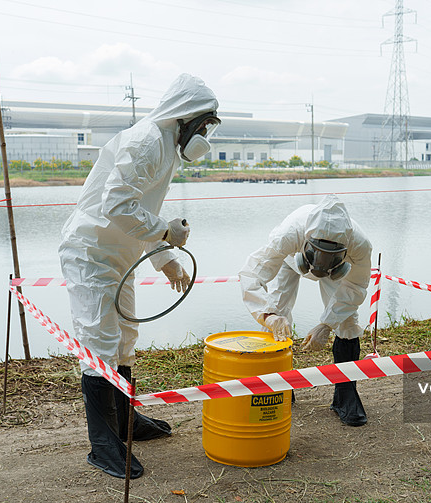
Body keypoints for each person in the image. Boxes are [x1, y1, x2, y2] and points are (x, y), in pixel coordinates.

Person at [58, 73, 220, 479]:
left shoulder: (166, 147)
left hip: (120, 254)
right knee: (100, 343)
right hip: (91, 252)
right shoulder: (147, 141)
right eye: (203, 125)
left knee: (125, 339)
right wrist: (165, 232)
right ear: (184, 117)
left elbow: (141, 210)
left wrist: (166, 260)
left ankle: (126, 421)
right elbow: (116, 205)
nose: (203, 135)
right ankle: (103, 446)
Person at [239, 194, 373, 426]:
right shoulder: (289, 234)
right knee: (277, 311)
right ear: (307, 239)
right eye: (317, 252)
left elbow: (355, 287)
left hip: (337, 270)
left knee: (347, 321)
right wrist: (269, 316)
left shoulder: (360, 244)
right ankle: (278, 388)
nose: (320, 263)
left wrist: (326, 324)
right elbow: (252, 274)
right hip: (292, 259)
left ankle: (345, 397)